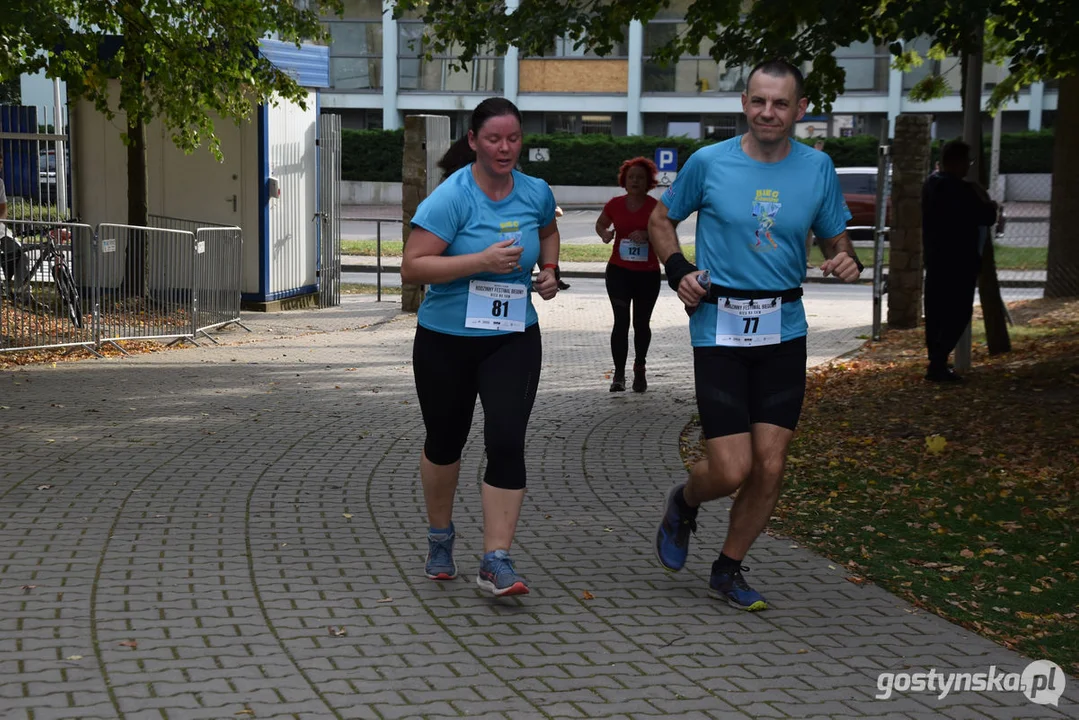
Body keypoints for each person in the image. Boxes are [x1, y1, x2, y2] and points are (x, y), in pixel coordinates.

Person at [647, 59, 864, 611]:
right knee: (731, 467)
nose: (769, 112)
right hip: (719, 326)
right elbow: (659, 220)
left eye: (781, 103)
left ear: (800, 110)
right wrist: (678, 271)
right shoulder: (708, 163)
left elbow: (838, 242)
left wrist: (845, 260)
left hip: (782, 330)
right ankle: (685, 501)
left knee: (771, 464)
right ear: (745, 103)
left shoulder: (817, 168)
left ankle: (728, 570)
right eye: (759, 101)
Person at [399, 97, 561, 597]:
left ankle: (496, 559)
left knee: (507, 440)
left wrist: (550, 271)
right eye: (494, 139)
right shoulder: (452, 198)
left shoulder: (534, 192)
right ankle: (440, 536)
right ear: (473, 141)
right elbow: (412, 267)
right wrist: (480, 261)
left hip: (512, 337)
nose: (505, 148)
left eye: (513, 139)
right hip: (446, 340)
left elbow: (549, 230)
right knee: (446, 442)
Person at [921, 139, 998, 383]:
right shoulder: (961, 190)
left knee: (936, 312)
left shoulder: (930, 185)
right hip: (959, 261)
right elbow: (987, 215)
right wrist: (986, 198)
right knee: (957, 312)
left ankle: (937, 360)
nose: (968, 167)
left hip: (936, 259)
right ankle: (938, 362)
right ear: (957, 162)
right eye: (967, 162)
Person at [595, 157, 661, 392]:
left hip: (647, 275)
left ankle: (640, 368)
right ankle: (619, 374)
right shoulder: (615, 204)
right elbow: (600, 224)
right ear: (624, 180)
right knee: (621, 322)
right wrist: (605, 234)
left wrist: (647, 235)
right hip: (619, 272)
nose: (635, 181)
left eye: (640, 178)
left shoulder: (655, 207)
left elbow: (666, 234)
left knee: (641, 323)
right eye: (631, 177)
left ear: (648, 182)